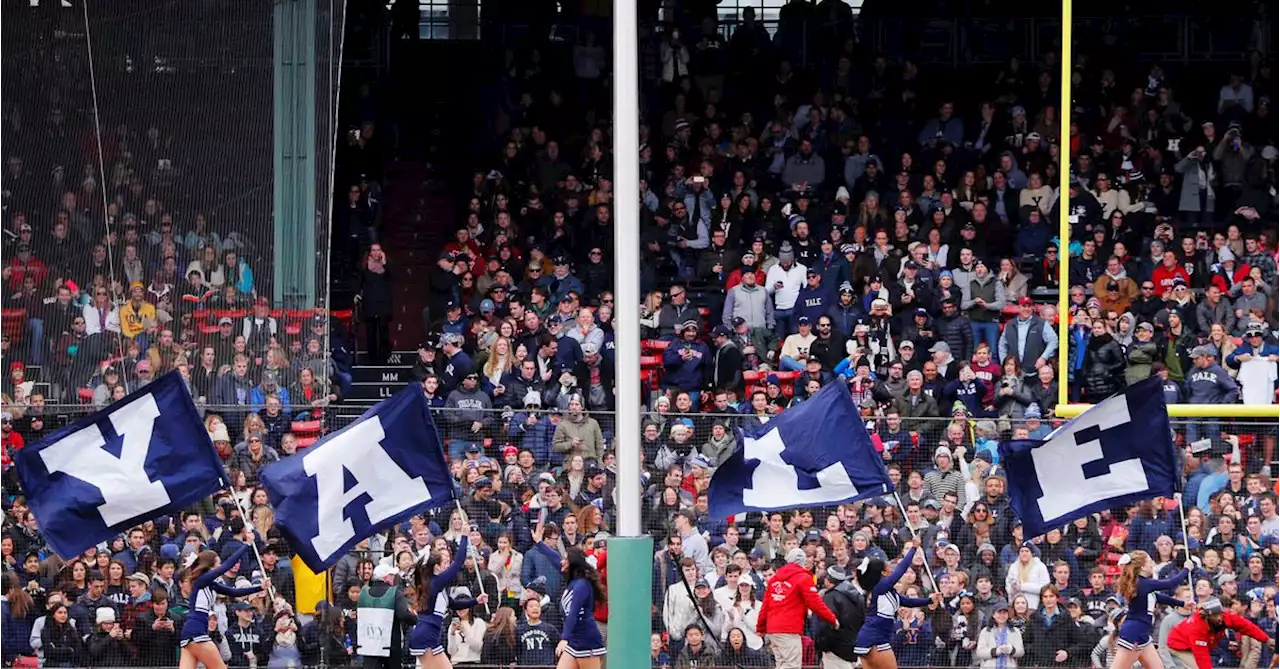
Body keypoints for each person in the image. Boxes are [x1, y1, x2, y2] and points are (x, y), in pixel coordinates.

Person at [179, 546, 271, 669]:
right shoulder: (201, 580)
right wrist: (246, 545)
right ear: (210, 566)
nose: (220, 565)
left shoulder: (209, 583)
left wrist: (260, 587)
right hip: (197, 632)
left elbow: (234, 592)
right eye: (218, 563)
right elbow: (226, 566)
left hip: (189, 633)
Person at [854, 546, 941, 669]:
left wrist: (930, 600)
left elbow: (908, 602)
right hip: (875, 639)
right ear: (882, 572)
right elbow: (900, 571)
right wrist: (913, 548)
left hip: (872, 637)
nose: (891, 568)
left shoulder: (887, 591)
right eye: (886, 566)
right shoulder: (880, 586)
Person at [408, 535, 488, 669]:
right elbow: (457, 564)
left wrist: (475, 601)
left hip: (432, 636)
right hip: (425, 635)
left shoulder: (438, 586)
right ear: (436, 567)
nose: (448, 565)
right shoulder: (435, 582)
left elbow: (453, 604)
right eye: (444, 562)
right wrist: (464, 536)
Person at [757, 547, 839, 669]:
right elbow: (815, 603)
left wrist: (761, 627)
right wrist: (832, 619)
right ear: (803, 561)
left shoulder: (774, 579)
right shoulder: (803, 578)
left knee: (781, 665)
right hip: (789, 629)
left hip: (773, 630)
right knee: (792, 665)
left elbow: (766, 605)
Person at [1111, 550, 1189, 669]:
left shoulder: (1142, 585)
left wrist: (1182, 603)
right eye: (1150, 561)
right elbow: (1170, 583)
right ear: (1142, 566)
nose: (1153, 563)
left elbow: (1158, 597)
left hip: (1143, 634)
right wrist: (1186, 569)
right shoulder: (1143, 583)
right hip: (1134, 633)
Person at [1165, 596, 1271, 669]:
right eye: (1214, 615)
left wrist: (1266, 639)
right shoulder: (1197, 628)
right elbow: (1202, 657)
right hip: (1179, 646)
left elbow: (1247, 626)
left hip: (1201, 646)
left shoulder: (1225, 617)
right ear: (1206, 616)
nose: (1219, 618)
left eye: (1219, 613)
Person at [357, 563, 417, 669]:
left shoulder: (363, 592)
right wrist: (416, 619)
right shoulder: (395, 593)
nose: (394, 578)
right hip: (390, 645)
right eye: (392, 575)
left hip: (369, 644)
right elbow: (403, 614)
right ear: (386, 578)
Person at [556, 546, 606, 669]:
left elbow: (574, 612)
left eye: (565, 559)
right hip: (574, 641)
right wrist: (539, 543)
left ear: (573, 563)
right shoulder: (572, 582)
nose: (561, 562)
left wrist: (564, 638)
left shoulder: (582, 585)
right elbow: (554, 559)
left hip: (586, 640)